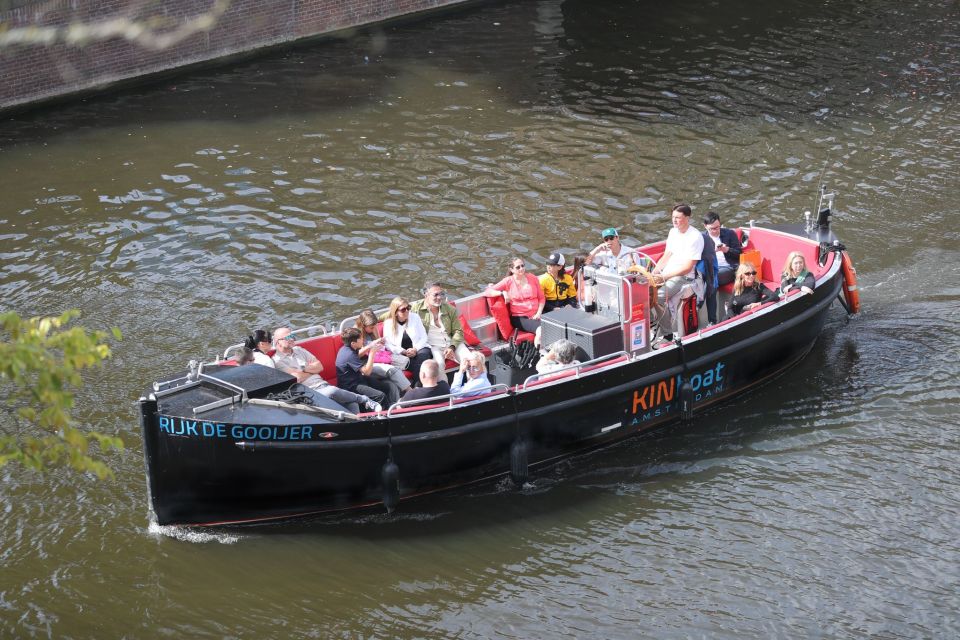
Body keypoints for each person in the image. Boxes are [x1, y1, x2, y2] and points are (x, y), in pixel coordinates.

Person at [271, 326, 382, 413]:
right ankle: (363, 399)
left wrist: (303, 369)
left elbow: (320, 367)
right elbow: (297, 378)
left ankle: (357, 427)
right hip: (309, 391)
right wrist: (310, 370)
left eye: (292, 336)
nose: (291, 339)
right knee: (332, 391)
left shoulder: (299, 350)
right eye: (287, 337)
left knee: (352, 404)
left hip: (323, 384)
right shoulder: (277, 361)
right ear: (277, 342)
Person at [651, 204, 705, 338]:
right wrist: (654, 273)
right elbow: (667, 255)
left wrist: (665, 276)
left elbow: (687, 267)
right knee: (642, 291)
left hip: (684, 276)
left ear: (687, 218)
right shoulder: (672, 232)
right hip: (667, 273)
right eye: (673, 217)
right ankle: (653, 324)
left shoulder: (695, 237)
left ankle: (667, 333)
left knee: (658, 297)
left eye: (678, 218)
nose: (674, 220)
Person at [484, 256, 545, 346]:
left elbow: (541, 298)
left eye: (523, 266)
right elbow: (487, 292)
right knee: (541, 329)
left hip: (537, 315)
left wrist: (539, 313)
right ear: (511, 269)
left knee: (555, 325)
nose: (521, 268)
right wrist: (502, 293)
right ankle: (541, 354)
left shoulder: (532, 278)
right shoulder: (508, 281)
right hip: (520, 317)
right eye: (518, 267)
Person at [410, 281, 472, 368]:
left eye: (441, 294)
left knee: (470, 361)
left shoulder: (449, 309)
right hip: (434, 346)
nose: (439, 297)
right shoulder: (416, 308)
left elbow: (458, 331)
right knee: (439, 365)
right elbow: (394, 312)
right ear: (426, 294)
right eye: (435, 295)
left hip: (452, 343)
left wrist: (452, 347)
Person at [335, 327, 401, 408]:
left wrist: (371, 345)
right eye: (360, 338)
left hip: (357, 379)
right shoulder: (349, 355)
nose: (363, 339)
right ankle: (384, 414)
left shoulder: (346, 349)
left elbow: (358, 354)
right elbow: (367, 372)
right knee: (380, 396)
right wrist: (372, 353)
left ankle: (391, 406)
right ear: (353, 343)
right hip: (351, 386)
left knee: (386, 387)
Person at [354, 309, 412, 395]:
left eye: (374, 326)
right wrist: (369, 346)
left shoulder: (373, 328)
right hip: (366, 364)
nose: (374, 328)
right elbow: (354, 356)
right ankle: (411, 392)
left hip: (379, 357)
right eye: (371, 327)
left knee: (408, 362)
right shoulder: (355, 334)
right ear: (363, 326)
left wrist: (380, 341)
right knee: (393, 370)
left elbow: (379, 345)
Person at [381, 296, 433, 385]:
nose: (407, 311)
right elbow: (388, 344)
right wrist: (403, 351)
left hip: (420, 348)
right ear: (396, 312)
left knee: (422, 358)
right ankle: (419, 388)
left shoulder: (415, 317)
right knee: (417, 365)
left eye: (408, 307)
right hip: (402, 354)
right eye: (403, 309)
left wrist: (415, 349)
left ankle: (416, 388)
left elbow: (423, 337)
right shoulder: (388, 323)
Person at [702, 211, 742, 324]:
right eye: (712, 229)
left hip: (729, 268)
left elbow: (739, 254)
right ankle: (705, 317)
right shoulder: (702, 238)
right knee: (704, 279)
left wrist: (727, 250)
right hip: (709, 269)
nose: (715, 231)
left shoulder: (729, 234)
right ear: (705, 226)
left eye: (718, 228)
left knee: (711, 280)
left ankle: (711, 319)